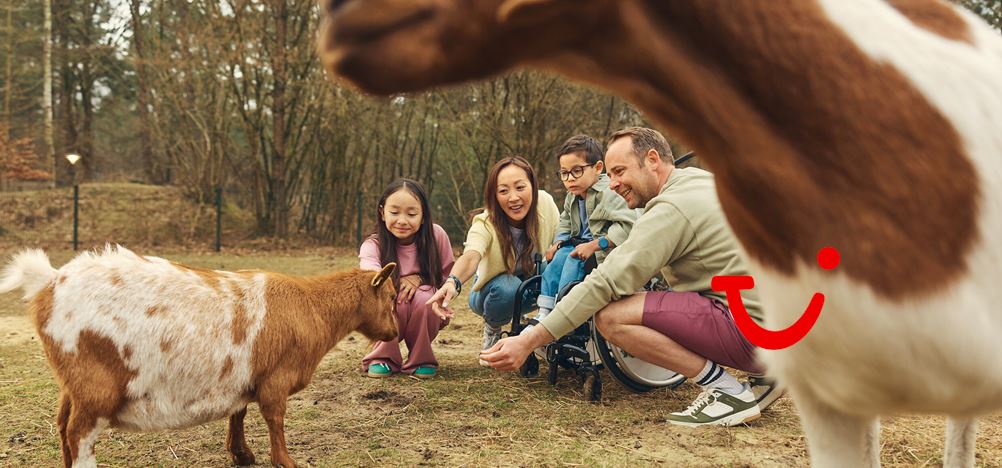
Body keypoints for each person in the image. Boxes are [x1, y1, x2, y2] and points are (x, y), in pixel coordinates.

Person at [480, 127, 782, 427]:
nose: (611, 184)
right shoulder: (699, 181)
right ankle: (769, 374)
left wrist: (529, 340)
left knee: (612, 317)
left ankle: (727, 391)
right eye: (610, 174)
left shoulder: (670, 209)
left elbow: (606, 283)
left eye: (619, 171)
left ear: (652, 160)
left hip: (753, 332)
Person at [425, 156, 560, 366]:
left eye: (520, 187)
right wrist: (452, 281)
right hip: (491, 293)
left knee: (556, 270)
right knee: (508, 286)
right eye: (503, 191)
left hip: (531, 283)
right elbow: (471, 256)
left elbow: (560, 239)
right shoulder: (485, 223)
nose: (513, 197)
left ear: (533, 186)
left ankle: (544, 330)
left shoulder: (546, 204)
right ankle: (493, 329)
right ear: (494, 196)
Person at [535, 134, 637, 325]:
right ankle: (545, 310)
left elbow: (628, 226)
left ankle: (564, 311)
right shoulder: (572, 195)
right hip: (578, 245)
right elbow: (565, 221)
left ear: (597, 168)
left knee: (572, 261)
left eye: (577, 171)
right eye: (564, 173)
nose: (569, 179)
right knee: (556, 260)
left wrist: (596, 245)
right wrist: (558, 242)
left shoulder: (610, 193)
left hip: (603, 252)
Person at [360, 178, 455, 379]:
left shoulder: (437, 236)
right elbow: (372, 280)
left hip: (426, 310)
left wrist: (419, 278)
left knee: (425, 298)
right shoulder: (373, 245)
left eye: (411, 214)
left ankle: (422, 358)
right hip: (388, 309)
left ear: (423, 216)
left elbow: (446, 278)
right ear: (382, 213)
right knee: (390, 299)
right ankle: (383, 357)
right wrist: (397, 283)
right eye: (394, 213)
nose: (402, 220)